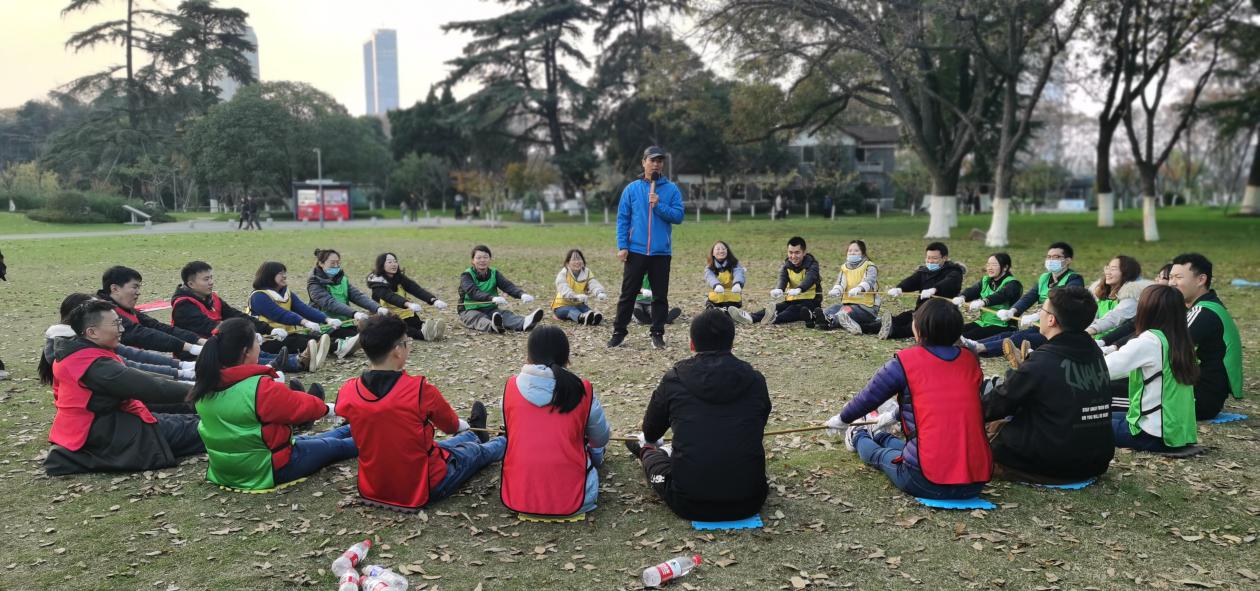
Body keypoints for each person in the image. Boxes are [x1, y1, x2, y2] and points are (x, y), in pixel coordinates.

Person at [824, 299, 991, 500]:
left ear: (920, 328)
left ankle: (858, 434)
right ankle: (878, 434)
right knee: (905, 449)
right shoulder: (970, 360)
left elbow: (869, 397)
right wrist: (893, 416)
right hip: (975, 483)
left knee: (881, 456)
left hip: (924, 481)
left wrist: (842, 419)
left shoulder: (905, 361)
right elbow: (942, 403)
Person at [335, 315, 505, 512]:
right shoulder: (419, 390)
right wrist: (460, 425)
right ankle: (507, 441)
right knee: (474, 452)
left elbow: (345, 412)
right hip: (423, 484)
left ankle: (474, 433)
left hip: (374, 487)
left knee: (439, 447)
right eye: (407, 342)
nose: (409, 346)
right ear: (397, 350)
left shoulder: (348, 390)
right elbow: (450, 426)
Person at [624, 309, 771, 521]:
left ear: (692, 344)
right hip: (751, 498)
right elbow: (759, 424)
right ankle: (669, 451)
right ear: (732, 343)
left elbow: (651, 432)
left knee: (652, 462)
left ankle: (647, 452)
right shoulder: (756, 380)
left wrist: (649, 444)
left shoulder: (674, 379)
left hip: (688, 501)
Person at [189, 318, 356, 490]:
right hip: (268, 467)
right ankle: (373, 437)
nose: (259, 345)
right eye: (256, 340)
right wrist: (330, 409)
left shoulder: (204, 385)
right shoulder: (259, 388)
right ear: (246, 351)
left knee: (318, 438)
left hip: (227, 470)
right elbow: (299, 406)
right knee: (336, 446)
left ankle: (360, 425)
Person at [43, 299, 203, 476]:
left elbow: (141, 375)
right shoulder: (92, 364)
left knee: (189, 411)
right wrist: (200, 391)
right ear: (92, 332)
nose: (122, 329)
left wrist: (190, 384)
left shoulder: (81, 350)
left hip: (105, 422)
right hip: (104, 432)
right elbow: (148, 386)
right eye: (115, 324)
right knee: (203, 427)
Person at [980, 286, 1114, 483]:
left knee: (980, 440)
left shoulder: (1044, 360)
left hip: (1054, 462)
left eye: (1042, 309)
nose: (1040, 314)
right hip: (1096, 460)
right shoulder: (1094, 351)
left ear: (1051, 320)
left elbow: (996, 404)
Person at [500, 326, 611, 516]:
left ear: (529, 356)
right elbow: (600, 439)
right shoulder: (582, 390)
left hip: (518, 495)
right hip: (578, 499)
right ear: (566, 357)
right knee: (595, 448)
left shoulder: (510, 388)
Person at [1104, 285, 1200, 452]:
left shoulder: (1150, 341)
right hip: (1177, 433)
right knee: (1105, 414)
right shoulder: (1181, 340)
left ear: (1145, 310)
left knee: (1083, 421)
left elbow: (1103, 369)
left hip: (1150, 434)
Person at [610, 145, 685, 350]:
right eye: (652, 160)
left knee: (659, 296)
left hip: (661, 252)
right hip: (635, 251)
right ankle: (619, 332)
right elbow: (623, 219)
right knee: (628, 294)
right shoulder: (631, 189)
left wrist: (659, 205)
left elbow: (678, 216)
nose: (656, 164)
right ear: (643, 162)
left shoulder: (671, 189)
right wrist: (622, 245)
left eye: (660, 161)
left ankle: (657, 333)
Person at [171, 261, 302, 372]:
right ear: (191, 284)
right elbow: (208, 326)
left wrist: (268, 329)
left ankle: (296, 359)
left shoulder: (211, 298)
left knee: (252, 349)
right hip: (197, 353)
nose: (211, 282)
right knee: (242, 353)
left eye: (211, 278)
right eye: (206, 279)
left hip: (219, 344)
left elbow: (235, 315)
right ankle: (294, 363)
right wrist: (243, 332)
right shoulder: (183, 306)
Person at [964, 242, 1083, 361]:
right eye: (1049, 257)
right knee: (1009, 335)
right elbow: (1029, 297)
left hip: (1058, 332)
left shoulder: (1075, 280)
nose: (1051, 260)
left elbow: (1064, 302)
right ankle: (972, 346)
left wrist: (1037, 315)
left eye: (1056, 257)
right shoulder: (1044, 278)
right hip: (1041, 326)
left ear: (1068, 260)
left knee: (1021, 339)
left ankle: (978, 348)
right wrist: (1012, 311)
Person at [43, 294, 195, 384]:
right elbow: (133, 372)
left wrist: (183, 368)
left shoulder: (84, 342)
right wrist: (182, 376)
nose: (121, 329)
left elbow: (132, 357)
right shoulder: (82, 352)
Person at [1168, 253, 1243, 419]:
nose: (1172, 283)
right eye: (1171, 277)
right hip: (1193, 392)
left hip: (1198, 400)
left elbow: (1165, 347)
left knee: (1116, 393)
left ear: (1201, 279)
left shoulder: (1203, 311)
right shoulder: (1197, 307)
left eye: (1178, 277)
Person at [246, 261, 343, 367]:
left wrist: (327, 319)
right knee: (302, 342)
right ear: (269, 276)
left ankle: (338, 344)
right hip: (267, 339)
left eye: (284, 273)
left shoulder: (286, 293)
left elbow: (304, 309)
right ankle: (335, 347)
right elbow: (279, 314)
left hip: (287, 335)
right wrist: (305, 322)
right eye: (280, 273)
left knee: (310, 338)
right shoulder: (258, 296)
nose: (284, 276)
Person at [98, 266, 205, 358]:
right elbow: (142, 335)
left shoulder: (125, 309)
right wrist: (189, 347)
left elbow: (157, 327)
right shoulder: (103, 313)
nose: (138, 293)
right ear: (115, 289)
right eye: (134, 287)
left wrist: (197, 340)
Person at [874, 242, 965, 340]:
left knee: (913, 326)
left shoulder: (954, 272)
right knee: (902, 318)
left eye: (934, 258)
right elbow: (912, 280)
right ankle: (866, 327)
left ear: (944, 258)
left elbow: (949, 282)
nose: (930, 261)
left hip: (940, 315)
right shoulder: (924, 271)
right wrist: (899, 288)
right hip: (921, 311)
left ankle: (892, 332)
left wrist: (934, 289)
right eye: (928, 258)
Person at [457, 245, 543, 333]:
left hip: (490, 308)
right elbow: (473, 292)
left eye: (485, 257)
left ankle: (525, 322)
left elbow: (507, 286)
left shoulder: (494, 273)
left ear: (490, 259)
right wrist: (492, 298)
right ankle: (493, 326)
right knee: (479, 318)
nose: (482, 260)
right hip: (469, 310)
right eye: (479, 258)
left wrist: (522, 294)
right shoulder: (466, 275)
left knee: (505, 315)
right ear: (473, 261)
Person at [366, 252, 450, 341]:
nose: (394, 264)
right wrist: (408, 304)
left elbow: (416, 289)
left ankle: (433, 331)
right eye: (390, 262)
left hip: (405, 313)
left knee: (416, 323)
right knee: (404, 329)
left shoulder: (399, 277)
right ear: (382, 265)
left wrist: (434, 300)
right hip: (388, 317)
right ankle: (423, 334)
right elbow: (390, 297)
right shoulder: (377, 283)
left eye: (395, 261)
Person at [307, 248, 390, 329]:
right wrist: (354, 313)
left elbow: (357, 296)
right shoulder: (314, 282)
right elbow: (330, 303)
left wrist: (377, 308)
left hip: (345, 323)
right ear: (321, 263)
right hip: (326, 327)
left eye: (338, 263)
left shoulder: (341, 278)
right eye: (332, 263)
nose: (336, 266)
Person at [953, 253, 1022, 340]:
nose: (989, 268)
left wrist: (983, 302)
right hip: (983, 322)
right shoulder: (986, 281)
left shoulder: (1013, 284)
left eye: (994, 265)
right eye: (988, 265)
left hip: (1003, 326)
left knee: (965, 338)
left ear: (1005, 267)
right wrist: (962, 297)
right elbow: (973, 290)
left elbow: (1001, 295)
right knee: (954, 331)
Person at [816, 240, 879, 334]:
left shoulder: (870, 266)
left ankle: (830, 321)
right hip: (849, 304)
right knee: (834, 308)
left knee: (844, 311)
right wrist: (836, 290)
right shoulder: (845, 268)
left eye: (856, 251)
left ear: (863, 253)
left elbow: (869, 281)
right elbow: (841, 282)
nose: (852, 253)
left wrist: (859, 289)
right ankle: (816, 318)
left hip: (866, 308)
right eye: (850, 251)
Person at [1086, 255, 1151, 339]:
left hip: (1116, 342)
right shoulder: (1098, 292)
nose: (1108, 272)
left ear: (1126, 272)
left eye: (1113, 269)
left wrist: (1090, 330)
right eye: (1108, 268)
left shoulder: (1132, 295)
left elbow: (1115, 317)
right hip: (1093, 339)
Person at [766, 236, 822, 326]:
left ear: (804, 252)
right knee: (778, 307)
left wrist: (799, 289)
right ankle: (751, 317)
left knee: (791, 310)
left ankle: (774, 318)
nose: (793, 256)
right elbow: (783, 278)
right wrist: (779, 289)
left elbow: (810, 278)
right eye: (790, 252)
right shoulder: (786, 266)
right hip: (792, 300)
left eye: (797, 253)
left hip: (810, 302)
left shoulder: (813, 265)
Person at [704, 240, 764, 325]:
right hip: (715, 298)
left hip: (731, 298)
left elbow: (739, 273)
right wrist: (716, 285)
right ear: (713, 253)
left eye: (723, 249)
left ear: (727, 251)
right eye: (718, 249)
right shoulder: (709, 268)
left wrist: (737, 284)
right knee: (709, 314)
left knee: (728, 314)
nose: (721, 251)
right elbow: (710, 277)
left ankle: (736, 315)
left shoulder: (735, 264)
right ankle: (717, 313)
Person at [552, 249, 608, 326]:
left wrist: (599, 292)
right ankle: (581, 318)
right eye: (574, 260)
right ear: (568, 263)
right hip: (561, 306)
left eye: (579, 259)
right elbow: (564, 288)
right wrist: (575, 297)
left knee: (587, 310)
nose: (577, 262)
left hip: (578, 304)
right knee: (572, 310)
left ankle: (594, 319)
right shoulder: (563, 273)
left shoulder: (586, 272)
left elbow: (593, 283)